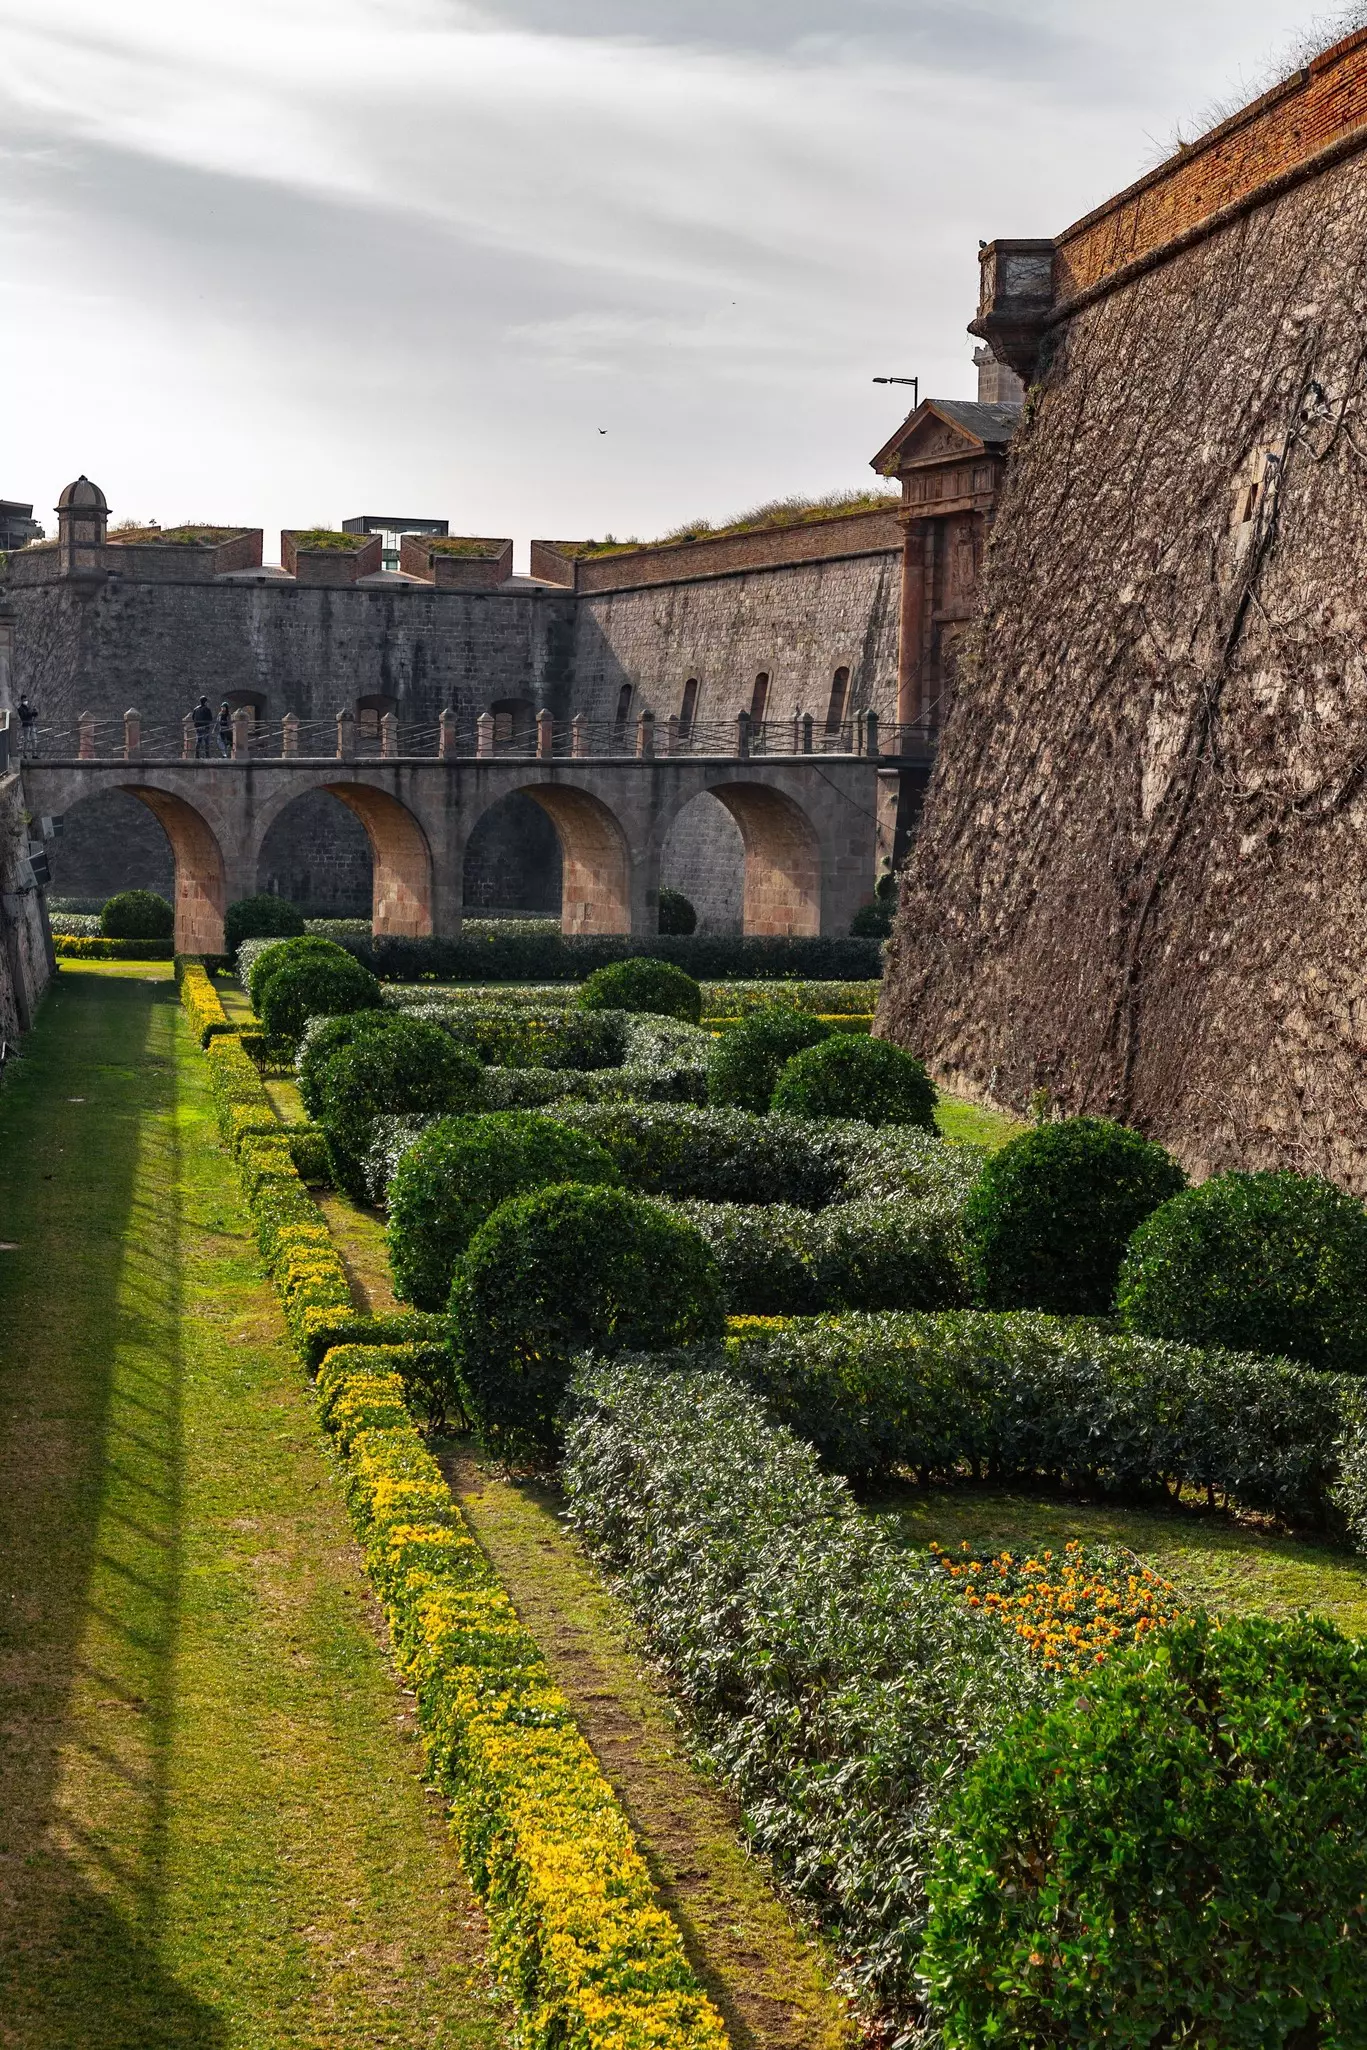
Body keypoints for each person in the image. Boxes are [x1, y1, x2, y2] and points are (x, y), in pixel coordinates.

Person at [191, 694, 214, 758]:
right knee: (206, 741)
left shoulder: (195, 709)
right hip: (205, 727)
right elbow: (210, 719)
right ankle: (207, 755)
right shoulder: (207, 709)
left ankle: (197, 755)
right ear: (205, 702)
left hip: (198, 727)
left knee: (198, 740)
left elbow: (193, 718)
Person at [16, 694, 37, 759]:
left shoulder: (28, 707)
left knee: (34, 740)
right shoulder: (20, 709)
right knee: (26, 740)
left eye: (26, 700)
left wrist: (35, 711)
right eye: (24, 700)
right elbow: (24, 716)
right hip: (26, 726)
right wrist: (31, 713)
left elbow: (33, 714)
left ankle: (34, 755)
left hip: (31, 725)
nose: (26, 701)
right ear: (22, 700)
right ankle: (25, 755)